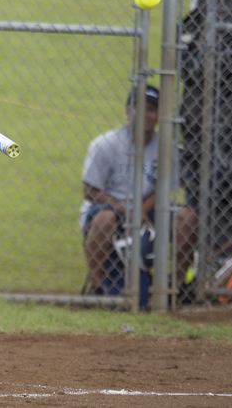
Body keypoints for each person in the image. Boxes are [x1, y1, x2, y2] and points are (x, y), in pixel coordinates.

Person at [79, 85, 196, 302]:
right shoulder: (105, 145)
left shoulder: (167, 147)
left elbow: (165, 188)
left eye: (152, 108)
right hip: (109, 209)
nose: (145, 114)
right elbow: (90, 190)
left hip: (149, 211)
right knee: (105, 218)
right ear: (127, 112)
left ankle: (176, 289)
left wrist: (141, 210)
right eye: (139, 107)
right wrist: (126, 211)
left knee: (187, 217)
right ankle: (96, 291)